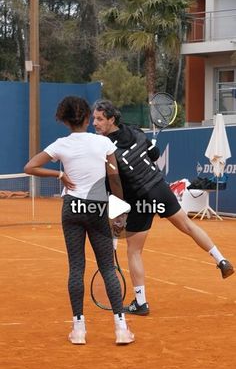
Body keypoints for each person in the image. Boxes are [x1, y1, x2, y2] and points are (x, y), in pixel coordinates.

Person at [92, 99, 235, 316]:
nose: (95, 123)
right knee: (188, 225)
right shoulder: (136, 131)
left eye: (100, 119)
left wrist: (117, 212)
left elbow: (113, 183)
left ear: (112, 120)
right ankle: (221, 259)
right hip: (159, 188)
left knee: (134, 251)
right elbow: (155, 154)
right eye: (94, 118)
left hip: (140, 198)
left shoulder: (104, 147)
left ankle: (141, 303)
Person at [24, 96, 134, 344]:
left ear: (64, 119)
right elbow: (114, 179)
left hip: (71, 209)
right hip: (98, 208)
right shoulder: (103, 142)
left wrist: (60, 174)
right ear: (86, 117)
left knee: (76, 268)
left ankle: (79, 330)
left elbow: (30, 167)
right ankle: (121, 329)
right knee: (108, 268)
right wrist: (120, 211)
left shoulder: (60, 145)